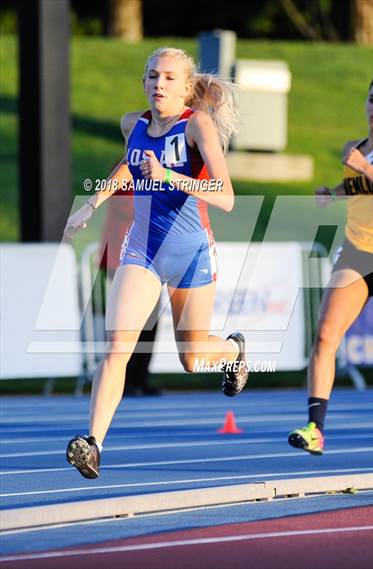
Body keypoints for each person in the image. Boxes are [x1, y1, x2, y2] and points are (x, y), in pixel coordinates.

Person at [63, 47, 249, 479]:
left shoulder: (197, 125)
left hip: (190, 253)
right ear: (143, 83)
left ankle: (234, 351)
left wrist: (167, 175)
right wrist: (91, 204)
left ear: (186, 87)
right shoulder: (134, 124)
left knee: (192, 356)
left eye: (168, 77)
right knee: (116, 347)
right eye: (152, 76)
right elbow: (129, 166)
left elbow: (226, 196)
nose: (158, 84)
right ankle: (92, 443)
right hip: (142, 250)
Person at [289, 71, 373, 455]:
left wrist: (366, 168)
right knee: (326, 336)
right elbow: (358, 188)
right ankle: (316, 428)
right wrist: (332, 192)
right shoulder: (355, 148)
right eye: (372, 99)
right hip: (356, 254)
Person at [99, 186, 161, 397]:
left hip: (150, 257)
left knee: (150, 321)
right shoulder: (129, 169)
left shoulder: (159, 169)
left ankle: (140, 376)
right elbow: (129, 207)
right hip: (123, 255)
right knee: (126, 324)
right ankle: (123, 378)